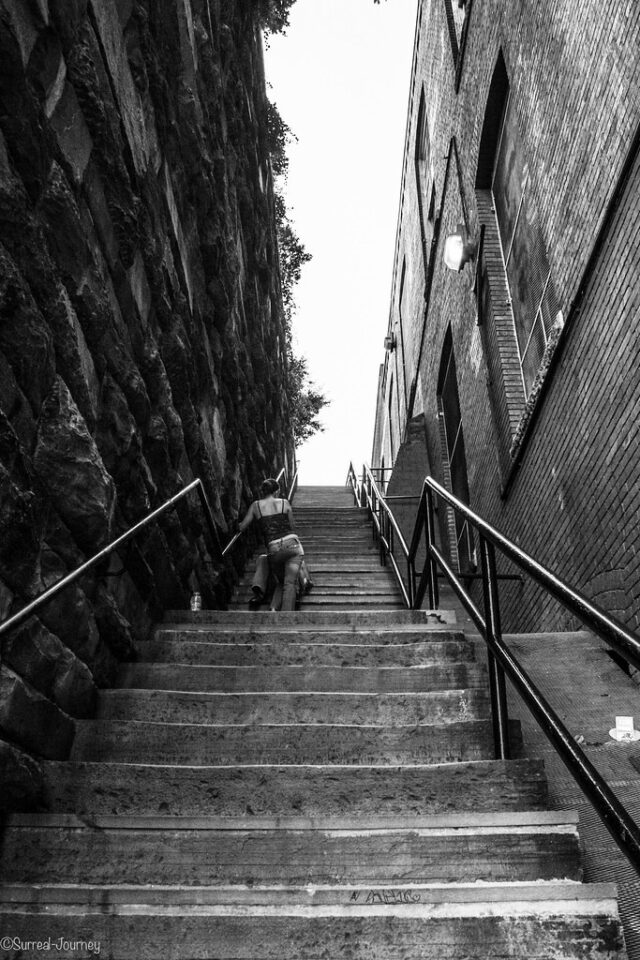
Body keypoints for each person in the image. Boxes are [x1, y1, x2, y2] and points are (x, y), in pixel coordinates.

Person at [238, 478, 311, 611]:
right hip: (293, 545)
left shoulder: (256, 506)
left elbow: (242, 527)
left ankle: (270, 603)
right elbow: (292, 526)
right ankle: (286, 617)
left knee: (281, 579)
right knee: (289, 583)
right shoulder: (284, 503)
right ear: (276, 491)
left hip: (274, 549)